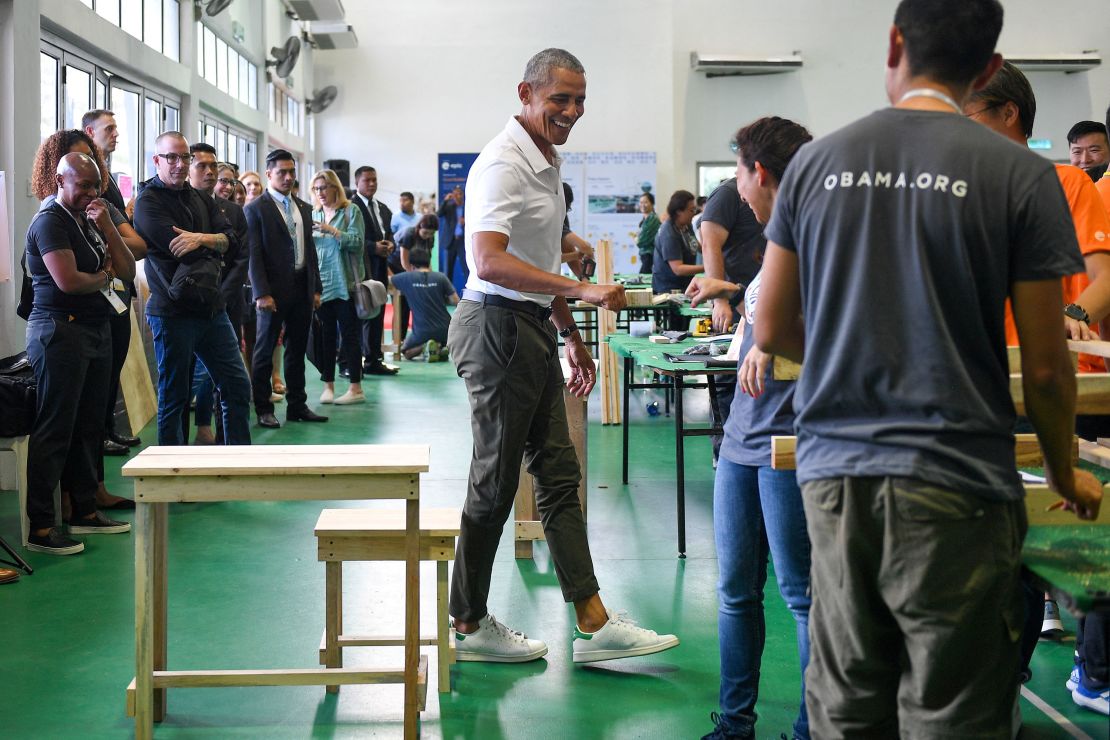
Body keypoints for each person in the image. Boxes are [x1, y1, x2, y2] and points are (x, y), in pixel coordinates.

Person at [753, 1, 1102, 735]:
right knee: (951, 710)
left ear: (893, 42)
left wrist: (855, 355)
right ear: (986, 69)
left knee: (848, 704)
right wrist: (1066, 471)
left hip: (836, 474)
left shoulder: (818, 162)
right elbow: (1045, 367)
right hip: (958, 482)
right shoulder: (1021, 174)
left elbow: (775, 323)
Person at [449, 47, 678, 665]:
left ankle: (593, 620)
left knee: (558, 475)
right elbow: (489, 262)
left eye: (580, 101)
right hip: (495, 329)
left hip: (526, 329)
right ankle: (466, 624)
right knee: (495, 483)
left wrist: (570, 334)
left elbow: (539, 257)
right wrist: (580, 289)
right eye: (560, 99)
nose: (572, 111)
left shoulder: (546, 158)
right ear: (525, 93)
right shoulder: (503, 162)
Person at [963, 61, 1110, 650]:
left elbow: (1101, 274)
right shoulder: (961, 189)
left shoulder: (1066, 184)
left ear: (1008, 114)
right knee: (997, 543)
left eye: (970, 115)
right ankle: (1006, 675)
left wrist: (1073, 316)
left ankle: (1085, 665)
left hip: (1050, 382)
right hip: (983, 382)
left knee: (1055, 537)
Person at [685, 116, 814, 740]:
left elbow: (838, 330)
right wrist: (734, 299)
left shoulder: (817, 235)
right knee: (736, 589)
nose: (736, 188)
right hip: (741, 438)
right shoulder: (775, 242)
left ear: (759, 172)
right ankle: (735, 723)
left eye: (738, 173)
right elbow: (771, 313)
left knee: (800, 593)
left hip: (789, 443)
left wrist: (773, 342)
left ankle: (812, 726)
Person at [24, 152, 136, 554]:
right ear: (59, 179)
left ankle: (84, 511)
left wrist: (107, 224)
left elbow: (127, 270)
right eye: (82, 185)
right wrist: (102, 274)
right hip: (60, 331)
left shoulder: (91, 218)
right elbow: (69, 281)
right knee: (56, 428)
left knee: (91, 424)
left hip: (95, 328)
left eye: (95, 186)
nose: (90, 193)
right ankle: (40, 526)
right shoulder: (50, 222)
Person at [133, 132, 251, 446]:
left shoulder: (200, 197)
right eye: (171, 157)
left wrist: (201, 239)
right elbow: (177, 248)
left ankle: (240, 463)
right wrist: (213, 243)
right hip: (173, 313)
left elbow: (232, 240)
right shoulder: (148, 201)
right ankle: (173, 475)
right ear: (157, 160)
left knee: (237, 386)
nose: (179, 164)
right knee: (175, 398)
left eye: (184, 158)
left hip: (211, 309)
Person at [246, 148, 327, 428]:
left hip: (302, 286)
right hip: (271, 292)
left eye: (292, 172)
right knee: (264, 350)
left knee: (296, 350)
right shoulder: (255, 209)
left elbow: (310, 251)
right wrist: (261, 293)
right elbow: (253, 255)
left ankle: (297, 405)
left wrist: (316, 288)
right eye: (282, 172)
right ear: (269, 173)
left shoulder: (303, 207)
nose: (289, 177)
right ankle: (264, 408)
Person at [82, 109, 142, 457]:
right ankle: (100, 433)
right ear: (90, 132)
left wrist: (119, 234)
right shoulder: (80, 198)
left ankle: (107, 428)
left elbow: (135, 244)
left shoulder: (110, 182)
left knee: (112, 365)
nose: (116, 133)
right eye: (110, 128)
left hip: (119, 290)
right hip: (97, 297)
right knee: (99, 376)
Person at [187, 144, 251, 445]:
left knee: (230, 376)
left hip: (227, 300)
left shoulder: (236, 213)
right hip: (192, 301)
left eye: (228, 180)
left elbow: (240, 256)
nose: (222, 183)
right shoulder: (185, 205)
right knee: (200, 373)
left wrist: (222, 294)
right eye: (217, 176)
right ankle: (201, 427)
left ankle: (230, 440)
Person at [310, 168, 367, 405]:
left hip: (346, 285)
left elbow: (357, 242)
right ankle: (328, 385)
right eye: (316, 188)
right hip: (322, 285)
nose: (320, 193)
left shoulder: (350, 211)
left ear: (335, 188)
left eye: (324, 187)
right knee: (326, 337)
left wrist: (332, 231)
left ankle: (356, 387)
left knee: (350, 336)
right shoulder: (314, 214)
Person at [351, 165, 400, 376]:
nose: (372, 184)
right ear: (357, 183)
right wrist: (373, 247)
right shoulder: (351, 208)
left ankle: (373, 360)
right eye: (367, 180)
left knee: (377, 313)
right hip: (359, 268)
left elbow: (389, 234)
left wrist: (390, 245)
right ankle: (352, 362)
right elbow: (350, 238)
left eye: (374, 180)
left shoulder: (382, 207)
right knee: (357, 315)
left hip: (380, 268)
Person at [391, 241, 458, 360]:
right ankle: (440, 346)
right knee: (441, 338)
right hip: (446, 329)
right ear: (428, 263)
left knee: (405, 352)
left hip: (422, 332)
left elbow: (387, 282)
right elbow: (455, 301)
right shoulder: (441, 277)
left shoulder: (406, 278)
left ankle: (424, 347)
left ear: (411, 266)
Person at [651, 189, 702, 294]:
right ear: (679, 211)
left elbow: (696, 245)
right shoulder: (669, 234)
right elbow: (678, 269)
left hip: (684, 284)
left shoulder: (686, 226)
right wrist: (707, 267)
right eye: (691, 210)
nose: (694, 214)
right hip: (668, 289)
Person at [437, 185, 467, 284]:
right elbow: (439, 214)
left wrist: (467, 221)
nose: (457, 196)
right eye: (455, 194)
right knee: (447, 271)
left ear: (462, 195)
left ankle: (470, 294)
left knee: (467, 269)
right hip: (450, 242)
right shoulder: (449, 206)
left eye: (459, 193)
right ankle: (447, 296)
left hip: (463, 242)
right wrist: (445, 201)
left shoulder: (468, 207)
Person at [636, 192, 660, 274]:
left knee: (643, 279)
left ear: (652, 203)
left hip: (650, 255)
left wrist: (637, 239)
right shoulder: (645, 219)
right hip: (645, 255)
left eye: (645, 202)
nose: (643, 205)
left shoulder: (652, 219)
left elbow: (641, 241)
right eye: (641, 202)